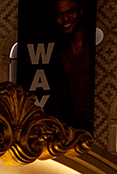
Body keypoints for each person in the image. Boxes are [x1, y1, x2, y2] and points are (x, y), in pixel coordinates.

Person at [47, 0, 94, 132]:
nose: (65, 18)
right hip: (69, 126)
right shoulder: (56, 52)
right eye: (60, 14)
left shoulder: (92, 45)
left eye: (70, 12)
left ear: (80, 12)